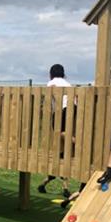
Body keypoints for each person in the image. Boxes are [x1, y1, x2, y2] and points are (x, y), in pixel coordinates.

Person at [37, 63, 72, 198]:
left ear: (51, 73)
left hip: (59, 113)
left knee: (60, 136)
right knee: (63, 154)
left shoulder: (51, 82)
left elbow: (50, 96)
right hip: (71, 112)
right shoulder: (68, 84)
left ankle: (71, 141)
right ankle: (60, 185)